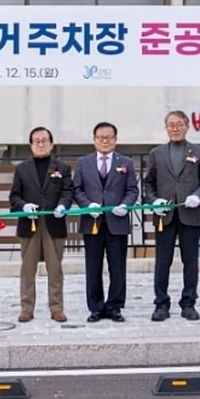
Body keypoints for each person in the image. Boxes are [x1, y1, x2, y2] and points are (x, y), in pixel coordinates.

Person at [142, 110, 200, 322]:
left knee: (190, 262)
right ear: (166, 128)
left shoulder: (199, 152)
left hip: (189, 215)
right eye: (171, 125)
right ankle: (161, 304)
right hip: (165, 216)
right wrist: (154, 201)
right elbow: (148, 183)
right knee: (162, 262)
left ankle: (189, 303)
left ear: (187, 126)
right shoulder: (157, 153)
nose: (175, 128)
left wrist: (197, 196)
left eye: (179, 124)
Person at [72, 121, 139, 323]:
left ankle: (115, 306)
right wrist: (87, 205)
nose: (105, 141)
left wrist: (125, 205)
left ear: (116, 140)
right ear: (94, 140)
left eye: (109, 137)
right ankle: (95, 307)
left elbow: (132, 190)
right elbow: (77, 190)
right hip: (92, 222)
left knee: (117, 266)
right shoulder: (84, 162)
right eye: (101, 137)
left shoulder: (125, 162)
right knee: (93, 267)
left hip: (117, 222)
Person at [8, 126, 74, 323]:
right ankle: (26, 307)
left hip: (54, 223)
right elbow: (14, 196)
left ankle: (56, 308)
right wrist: (24, 206)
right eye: (36, 141)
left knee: (55, 269)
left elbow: (67, 192)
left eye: (44, 140)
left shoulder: (62, 168)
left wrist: (63, 206)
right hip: (30, 224)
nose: (40, 144)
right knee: (27, 269)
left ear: (51, 144)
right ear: (30, 145)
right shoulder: (22, 168)